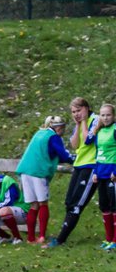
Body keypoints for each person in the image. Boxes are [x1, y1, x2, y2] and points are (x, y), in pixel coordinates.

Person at [48, 97, 99, 247]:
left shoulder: (96, 120)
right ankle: (61, 237)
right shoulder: (78, 124)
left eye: (79, 110)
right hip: (79, 165)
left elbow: (88, 139)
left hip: (91, 166)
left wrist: (83, 122)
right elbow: (75, 144)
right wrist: (78, 124)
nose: (76, 114)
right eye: (73, 112)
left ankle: (60, 240)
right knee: (69, 201)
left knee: (77, 204)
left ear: (86, 108)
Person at [15, 115, 74, 244]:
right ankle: (41, 236)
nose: (63, 130)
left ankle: (31, 238)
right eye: (62, 127)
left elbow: (51, 152)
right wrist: (75, 159)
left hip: (25, 170)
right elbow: (62, 154)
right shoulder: (53, 137)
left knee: (33, 205)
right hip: (38, 171)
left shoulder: (39, 133)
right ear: (57, 127)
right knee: (43, 203)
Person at [88, 103, 116, 249]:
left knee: (114, 206)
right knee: (104, 206)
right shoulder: (99, 131)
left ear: (114, 116)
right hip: (101, 174)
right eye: (103, 115)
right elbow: (98, 153)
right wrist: (95, 171)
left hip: (112, 175)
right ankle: (108, 239)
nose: (105, 118)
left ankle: (115, 241)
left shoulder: (115, 129)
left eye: (108, 115)